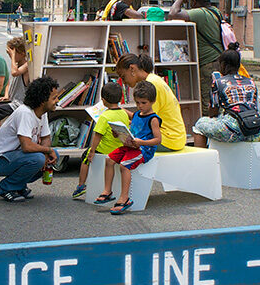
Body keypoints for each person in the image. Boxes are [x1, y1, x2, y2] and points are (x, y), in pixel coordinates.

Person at [0, 76, 59, 202]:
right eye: (54, 98)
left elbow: (45, 137)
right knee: (38, 158)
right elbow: (27, 146)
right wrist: (46, 151)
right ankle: (6, 187)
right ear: (42, 101)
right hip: (0, 161)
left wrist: (48, 153)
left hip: (16, 157)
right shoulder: (25, 113)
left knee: (52, 156)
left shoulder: (43, 113)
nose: (57, 101)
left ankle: (19, 185)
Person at [96, 80, 162, 215]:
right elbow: (132, 130)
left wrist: (141, 142)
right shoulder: (137, 114)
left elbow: (158, 140)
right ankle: (107, 191)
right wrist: (117, 134)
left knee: (124, 165)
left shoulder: (153, 119)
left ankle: (124, 198)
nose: (140, 106)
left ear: (152, 101)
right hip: (131, 146)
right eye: (137, 103)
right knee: (109, 160)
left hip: (144, 150)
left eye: (144, 103)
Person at [115, 53, 186, 151]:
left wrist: (120, 115)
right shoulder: (153, 79)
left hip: (168, 139)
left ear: (132, 69)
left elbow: (145, 121)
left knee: (121, 143)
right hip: (174, 137)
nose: (123, 82)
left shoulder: (151, 84)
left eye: (123, 77)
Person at [192, 43, 259, 147]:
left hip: (233, 130)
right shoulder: (251, 82)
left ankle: (202, 161)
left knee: (199, 124)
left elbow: (213, 112)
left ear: (223, 65)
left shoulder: (219, 82)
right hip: (253, 128)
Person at [71, 82, 131, 199]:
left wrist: (92, 151)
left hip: (105, 150)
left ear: (103, 100)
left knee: (85, 157)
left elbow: (98, 135)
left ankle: (81, 185)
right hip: (119, 148)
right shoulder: (124, 113)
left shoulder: (104, 116)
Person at [168, 0, 223, 112]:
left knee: (207, 101)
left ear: (194, 1)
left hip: (208, 63)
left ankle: (207, 128)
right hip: (217, 59)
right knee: (216, 98)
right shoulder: (215, 11)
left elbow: (173, 14)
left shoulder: (200, 13)